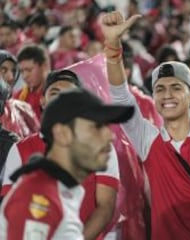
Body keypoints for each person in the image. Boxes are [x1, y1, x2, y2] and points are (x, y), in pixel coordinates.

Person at [101, 11, 190, 240]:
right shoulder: (148, 139)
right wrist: (113, 46)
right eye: (160, 89)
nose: (167, 95)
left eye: (176, 87)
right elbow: (120, 97)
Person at [1, 69, 123, 240]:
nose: (61, 100)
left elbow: (105, 207)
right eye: (55, 93)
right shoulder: (23, 156)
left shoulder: (99, 150)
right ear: (43, 101)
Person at [0, 50, 39, 139]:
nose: (11, 77)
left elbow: (39, 142)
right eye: (3, 70)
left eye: (13, 71)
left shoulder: (23, 108)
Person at [15, 45, 50, 120]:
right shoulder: (19, 98)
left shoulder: (56, 93)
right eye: (22, 71)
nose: (25, 76)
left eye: (29, 70)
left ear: (44, 66)